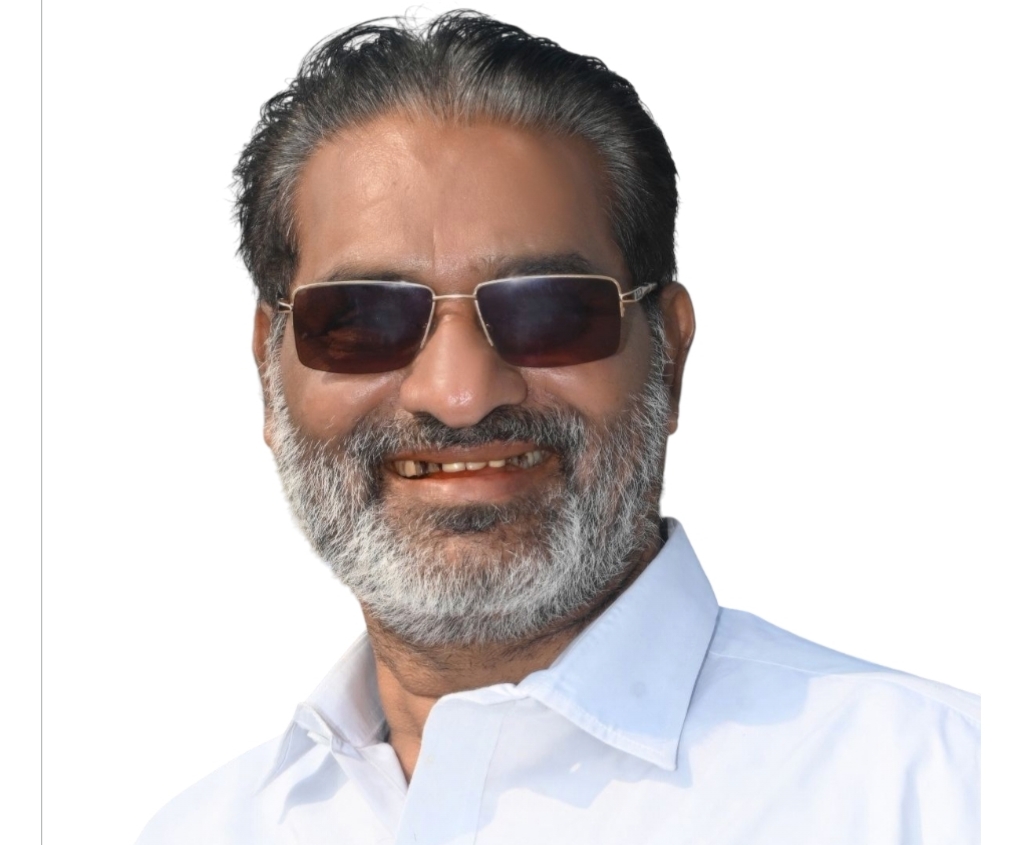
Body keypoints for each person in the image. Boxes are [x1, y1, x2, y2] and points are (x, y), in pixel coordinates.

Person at [135, 11, 979, 844]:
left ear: (670, 356)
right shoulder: (202, 830)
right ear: (268, 370)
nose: (459, 393)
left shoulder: (943, 790)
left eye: (548, 310)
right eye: (361, 318)